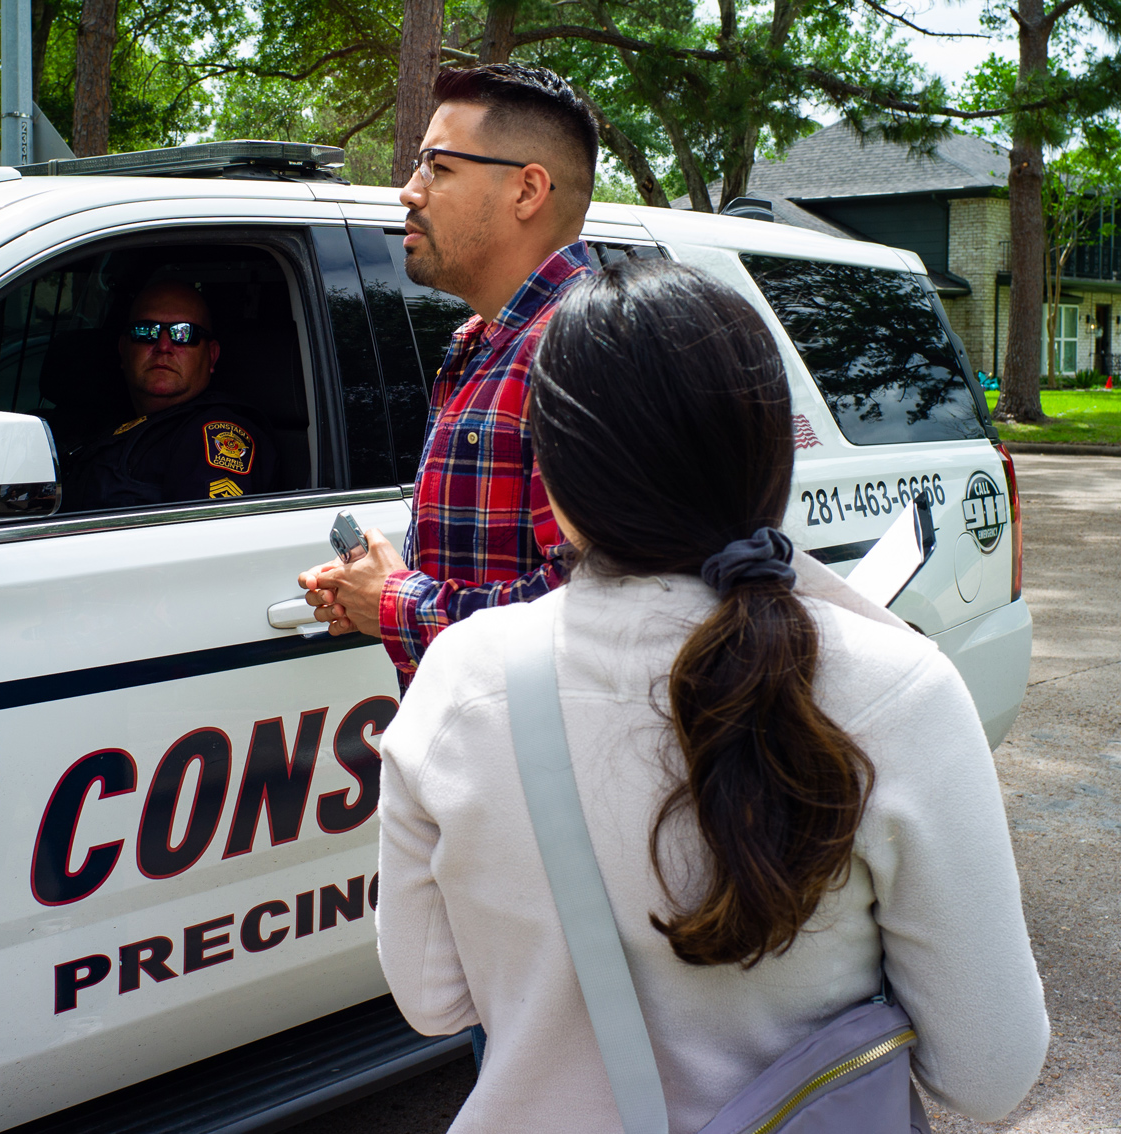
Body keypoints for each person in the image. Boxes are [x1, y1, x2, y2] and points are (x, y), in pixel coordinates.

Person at [374, 261, 1047, 1132]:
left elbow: (433, 1000)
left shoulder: (460, 681)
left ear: (555, 479)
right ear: (772, 452)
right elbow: (988, 1075)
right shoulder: (898, 692)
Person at [298, 63, 598, 683]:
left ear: (526, 190)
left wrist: (395, 601)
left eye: (438, 166)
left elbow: (594, 615)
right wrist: (382, 586)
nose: (409, 191)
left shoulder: (584, 350)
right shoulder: (480, 342)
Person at [64, 281, 277, 510]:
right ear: (123, 349)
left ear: (212, 356)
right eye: (146, 331)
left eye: (184, 333)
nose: (163, 346)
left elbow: (208, 538)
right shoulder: (95, 422)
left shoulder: (212, 434)